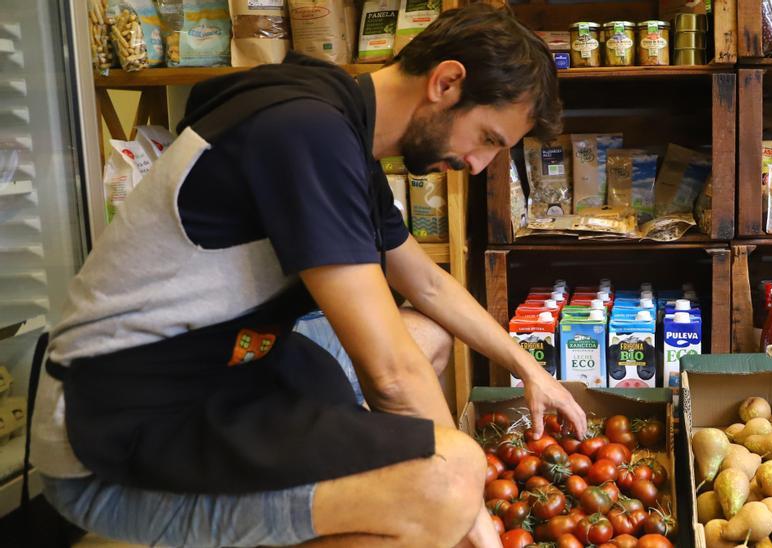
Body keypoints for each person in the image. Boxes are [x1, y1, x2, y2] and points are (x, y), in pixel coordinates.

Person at [29, 4, 583, 546]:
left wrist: (526, 367)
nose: (479, 163)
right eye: (487, 138)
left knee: (426, 335)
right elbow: (389, 375)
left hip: (223, 371)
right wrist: (469, 506)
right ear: (446, 82)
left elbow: (427, 284)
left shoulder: (337, 123)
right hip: (111, 433)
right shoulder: (306, 131)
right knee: (447, 477)